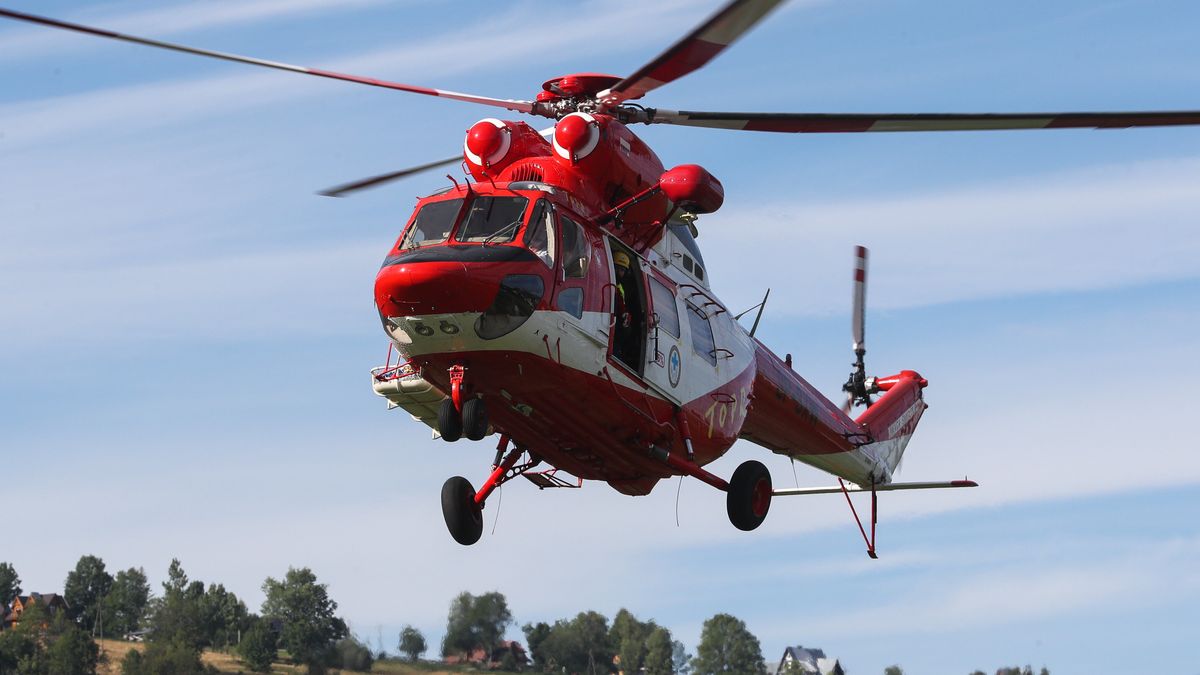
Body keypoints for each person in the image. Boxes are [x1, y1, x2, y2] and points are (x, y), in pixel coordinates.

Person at [612, 250, 639, 365]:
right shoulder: (609, 281)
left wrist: (625, 315)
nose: (619, 272)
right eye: (618, 268)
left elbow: (621, 306)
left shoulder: (620, 288)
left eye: (622, 270)